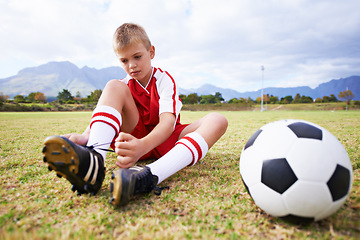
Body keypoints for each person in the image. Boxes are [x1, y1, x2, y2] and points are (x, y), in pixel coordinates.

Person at [42, 23, 228, 207]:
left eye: (137, 56)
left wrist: (142, 146)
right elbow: (105, 108)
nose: (131, 65)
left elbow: (167, 123)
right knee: (113, 86)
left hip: (165, 140)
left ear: (151, 52)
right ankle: (94, 160)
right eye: (124, 60)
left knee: (218, 120)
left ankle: (148, 175)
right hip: (132, 138)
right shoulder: (123, 85)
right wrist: (86, 136)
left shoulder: (164, 79)